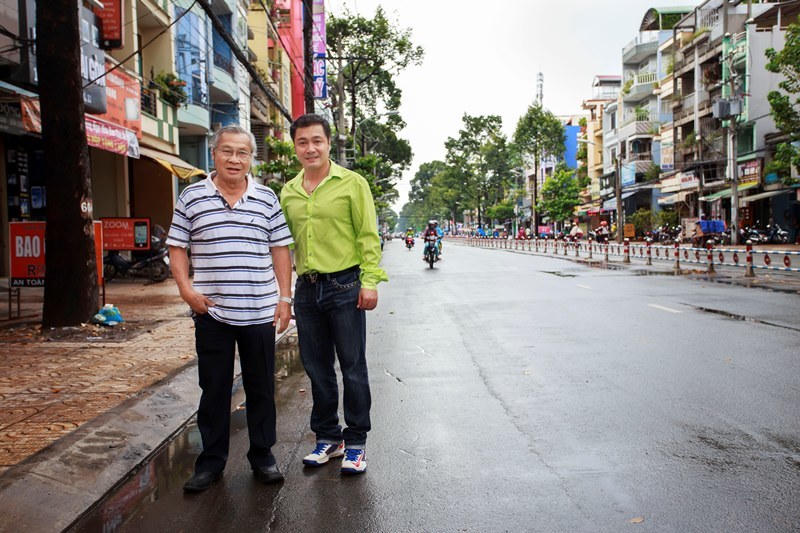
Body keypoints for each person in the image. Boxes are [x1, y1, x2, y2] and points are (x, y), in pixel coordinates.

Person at [167, 125, 294, 492]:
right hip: (213, 313)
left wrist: (284, 299)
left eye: (243, 153)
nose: (235, 159)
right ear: (214, 154)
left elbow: (280, 249)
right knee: (214, 389)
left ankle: (263, 457)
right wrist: (187, 291)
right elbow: (177, 246)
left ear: (250, 158)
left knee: (260, 388)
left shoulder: (267, 198)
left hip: (258, 311)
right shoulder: (192, 196)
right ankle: (210, 463)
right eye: (228, 151)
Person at [281, 114, 388, 475]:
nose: (310, 148)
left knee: (353, 367)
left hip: (345, 285)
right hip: (307, 289)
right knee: (316, 368)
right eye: (302, 142)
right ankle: (329, 437)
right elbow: (284, 244)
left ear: (329, 143)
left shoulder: (352, 183)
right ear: (295, 146)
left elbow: (368, 236)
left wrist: (369, 280)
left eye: (316, 141)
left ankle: (356, 442)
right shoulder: (289, 191)